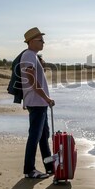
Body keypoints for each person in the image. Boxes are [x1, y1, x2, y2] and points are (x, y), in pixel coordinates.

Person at [20, 27, 55, 179]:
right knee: (35, 136)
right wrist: (46, 98)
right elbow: (31, 80)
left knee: (43, 135)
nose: (43, 43)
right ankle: (29, 170)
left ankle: (49, 167)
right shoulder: (28, 55)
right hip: (37, 102)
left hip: (39, 103)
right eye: (41, 40)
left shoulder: (32, 55)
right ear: (32, 41)